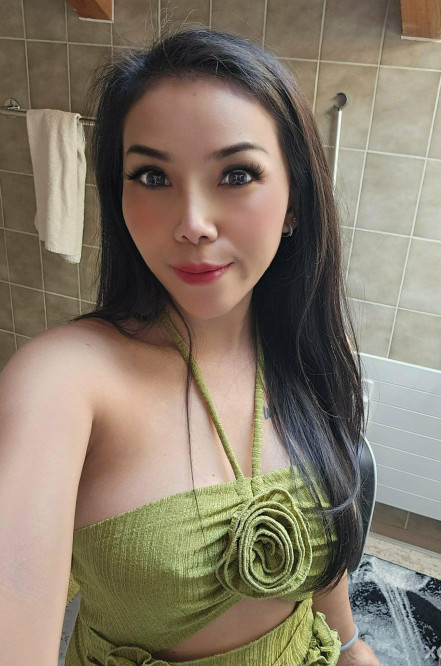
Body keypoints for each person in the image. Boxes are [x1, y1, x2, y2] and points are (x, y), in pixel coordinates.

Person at [0, 27, 379, 666]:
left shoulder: (307, 349)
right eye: (152, 176)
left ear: (294, 201)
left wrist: (350, 647)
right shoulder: (62, 381)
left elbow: (326, 567)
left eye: (237, 174)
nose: (193, 224)